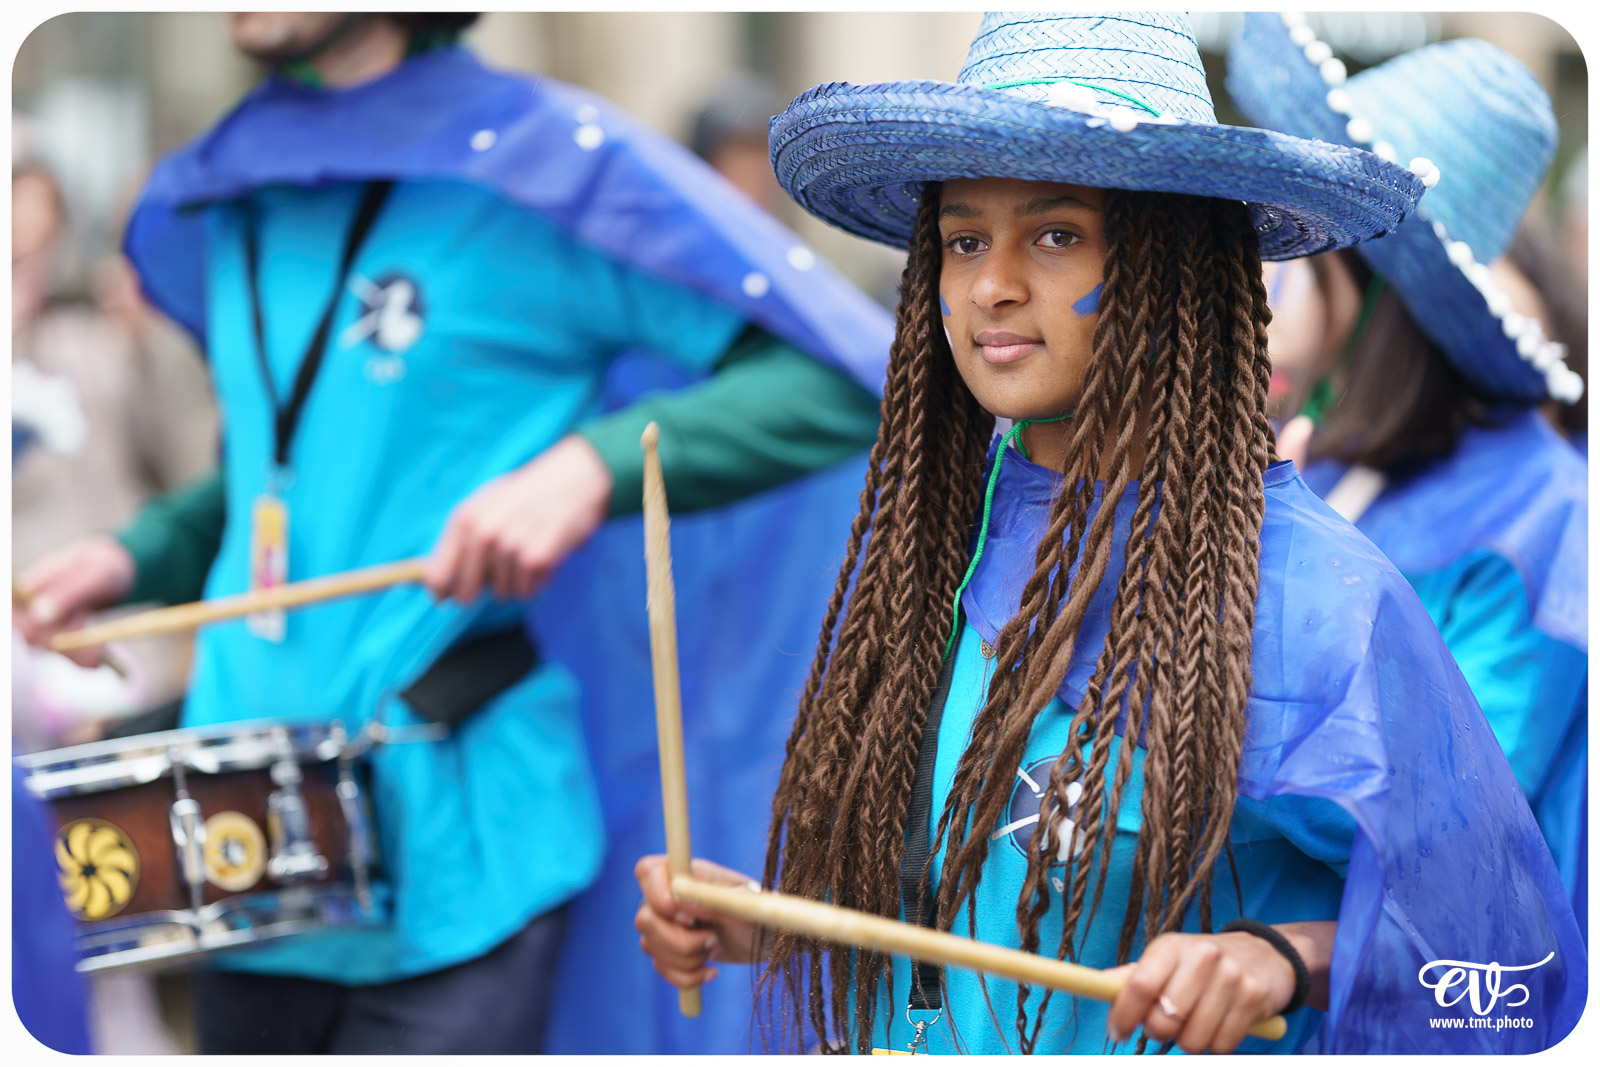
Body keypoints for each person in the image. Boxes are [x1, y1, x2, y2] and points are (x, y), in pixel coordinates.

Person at [635, 11, 1586, 1055]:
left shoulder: (1314, 593)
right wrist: (780, 919)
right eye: (961, 238)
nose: (991, 283)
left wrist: (1277, 952)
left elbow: (1499, 959)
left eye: (1054, 234)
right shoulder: (922, 542)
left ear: (1169, 264)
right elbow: (952, 891)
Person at [14, 11, 887, 1055]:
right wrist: (137, 551)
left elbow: (836, 378)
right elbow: (292, 466)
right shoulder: (237, 184)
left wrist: (585, 466)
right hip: (244, 847)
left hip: (464, 846)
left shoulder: (538, 171)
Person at [1226, 15, 1588, 938]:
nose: (1254, 278)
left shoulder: (1550, 513)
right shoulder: (1325, 458)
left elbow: (1435, 825)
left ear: (1366, 277)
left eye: (1286, 246)